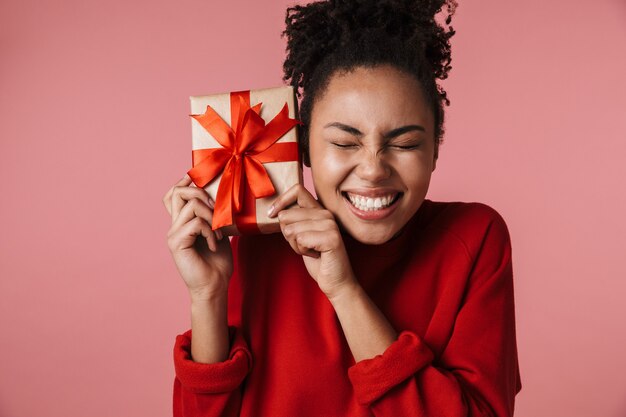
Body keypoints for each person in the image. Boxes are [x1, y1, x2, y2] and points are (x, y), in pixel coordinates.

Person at [162, 0, 522, 416]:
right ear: (305, 150)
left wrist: (344, 290)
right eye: (345, 143)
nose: (372, 169)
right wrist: (208, 295)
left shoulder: (475, 238)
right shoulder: (258, 236)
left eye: (404, 144)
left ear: (435, 149)